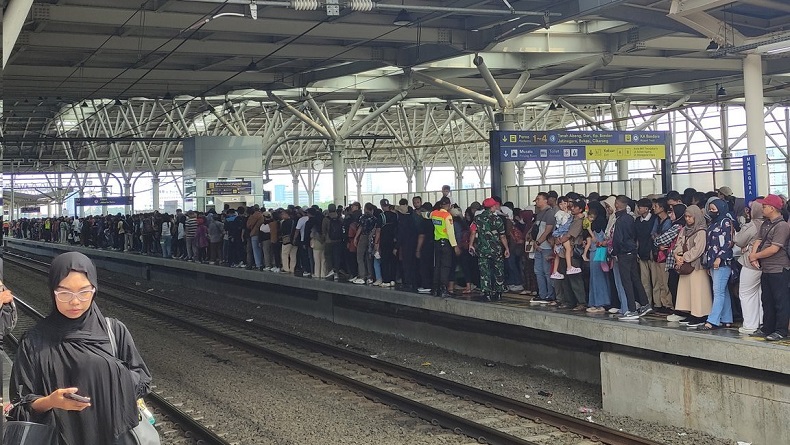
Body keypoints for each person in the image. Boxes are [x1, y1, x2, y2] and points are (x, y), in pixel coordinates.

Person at [9, 252, 152, 445]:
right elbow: (20, 403)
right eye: (65, 293)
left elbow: (143, 380)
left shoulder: (114, 331)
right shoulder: (33, 342)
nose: (75, 302)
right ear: (53, 291)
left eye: (84, 292)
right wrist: (52, 401)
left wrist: (110, 380)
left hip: (113, 437)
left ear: (95, 289)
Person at [748, 194, 790, 341]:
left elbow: (774, 249)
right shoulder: (765, 224)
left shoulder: (782, 226)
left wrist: (756, 256)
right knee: (767, 300)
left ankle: (781, 330)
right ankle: (767, 328)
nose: (762, 208)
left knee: (781, 301)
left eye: (764, 206)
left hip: (779, 269)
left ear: (772, 208)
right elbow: (758, 240)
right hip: (766, 269)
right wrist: (753, 254)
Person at [673, 205, 712, 327]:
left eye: (690, 217)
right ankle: (691, 313)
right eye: (686, 216)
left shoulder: (701, 231)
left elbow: (698, 249)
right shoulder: (684, 229)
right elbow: (678, 243)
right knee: (688, 291)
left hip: (696, 266)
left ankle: (700, 315)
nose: (688, 219)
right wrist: (678, 255)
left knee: (698, 291)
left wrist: (683, 258)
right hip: (686, 264)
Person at [698, 199, 735, 330]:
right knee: (722, 290)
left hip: (721, 261)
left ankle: (712, 321)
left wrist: (719, 258)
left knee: (718, 292)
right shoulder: (714, 222)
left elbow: (728, 242)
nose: (711, 211)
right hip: (713, 261)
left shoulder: (725, 221)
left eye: (714, 209)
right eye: (711, 209)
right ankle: (727, 318)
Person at [469, 198, 510, 301]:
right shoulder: (498, 219)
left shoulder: (477, 218)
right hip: (496, 249)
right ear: (492, 207)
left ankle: (487, 293)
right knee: (499, 270)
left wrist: (471, 244)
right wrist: (506, 248)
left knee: (484, 271)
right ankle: (499, 292)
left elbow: (473, 232)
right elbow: (502, 236)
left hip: (483, 249)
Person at [734, 201, 763, 334]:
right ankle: (761, 322)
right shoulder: (767, 224)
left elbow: (739, 240)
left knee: (746, 293)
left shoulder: (752, 225)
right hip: (765, 263)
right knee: (759, 293)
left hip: (750, 263)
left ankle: (750, 325)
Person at [549, 197, 580, 279]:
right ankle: (569, 267)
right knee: (568, 249)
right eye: (561, 204)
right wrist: (567, 214)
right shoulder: (559, 213)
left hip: (560, 234)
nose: (563, 205)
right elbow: (563, 223)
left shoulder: (568, 212)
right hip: (562, 233)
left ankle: (555, 271)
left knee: (558, 254)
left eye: (565, 203)